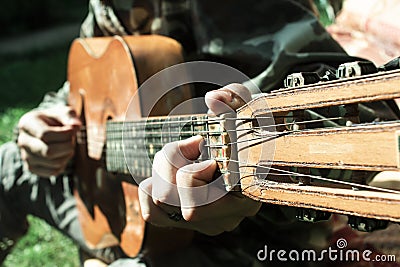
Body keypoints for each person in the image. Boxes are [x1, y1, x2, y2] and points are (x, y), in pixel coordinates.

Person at [1, 0, 398, 266]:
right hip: (111, 197)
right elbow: (84, 76)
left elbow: (345, 120)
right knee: (8, 165)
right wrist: (44, 119)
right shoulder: (109, 7)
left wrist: (235, 184)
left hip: (246, 243)